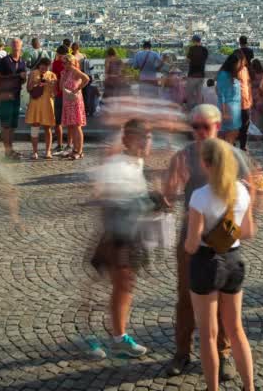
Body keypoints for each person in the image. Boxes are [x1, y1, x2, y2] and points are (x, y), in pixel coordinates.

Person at [162, 105, 252, 381]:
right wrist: (169, 187)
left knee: (224, 305)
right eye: (195, 126)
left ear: (218, 126)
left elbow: (251, 188)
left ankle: (222, 354)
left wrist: (238, 220)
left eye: (205, 126)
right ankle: (182, 351)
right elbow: (169, 192)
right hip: (192, 237)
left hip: (224, 243)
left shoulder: (234, 155)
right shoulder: (184, 155)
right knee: (185, 298)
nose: (200, 132)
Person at [184, 138, 258, 391]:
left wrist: (197, 236)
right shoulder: (242, 190)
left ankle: (212, 388)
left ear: (205, 164)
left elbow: (192, 245)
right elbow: (247, 231)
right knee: (236, 330)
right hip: (234, 260)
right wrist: (226, 231)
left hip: (205, 263)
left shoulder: (199, 197)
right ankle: (249, 387)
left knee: (208, 334)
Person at [81, 119, 157, 360]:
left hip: (131, 235)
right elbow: (106, 199)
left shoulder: (137, 162)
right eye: (141, 137)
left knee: (121, 287)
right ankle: (112, 338)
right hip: (119, 237)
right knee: (120, 287)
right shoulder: (118, 165)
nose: (146, 142)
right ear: (127, 140)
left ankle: (111, 336)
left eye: (148, 137)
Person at [0, 38, 27, 158]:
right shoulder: (5, 61)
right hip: (5, 96)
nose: (16, 46)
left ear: (21, 46)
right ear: (11, 46)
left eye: (18, 44)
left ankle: (10, 149)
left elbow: (22, 81)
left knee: (12, 125)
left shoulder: (22, 62)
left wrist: (23, 78)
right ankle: (7, 150)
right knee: (6, 125)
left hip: (15, 96)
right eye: (14, 44)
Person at [25, 57, 57, 159]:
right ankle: (35, 152)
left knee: (48, 128)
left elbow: (55, 93)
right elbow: (28, 89)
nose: (44, 69)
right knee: (35, 127)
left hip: (47, 103)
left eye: (47, 67)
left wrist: (52, 84)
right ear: (39, 65)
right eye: (43, 66)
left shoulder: (52, 75)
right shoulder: (33, 73)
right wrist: (36, 82)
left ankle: (48, 151)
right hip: (35, 103)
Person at [60, 55, 90, 160]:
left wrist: (77, 89)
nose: (63, 65)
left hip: (75, 101)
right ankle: (74, 149)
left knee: (77, 126)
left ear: (71, 62)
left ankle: (79, 150)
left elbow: (86, 78)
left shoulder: (74, 70)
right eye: (62, 63)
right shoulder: (64, 72)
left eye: (65, 62)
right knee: (71, 126)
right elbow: (60, 87)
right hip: (67, 101)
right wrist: (63, 76)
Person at [216, 52, 244, 145]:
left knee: (231, 137)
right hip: (229, 109)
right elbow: (221, 94)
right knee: (229, 138)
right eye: (239, 63)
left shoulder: (229, 74)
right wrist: (224, 112)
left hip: (234, 110)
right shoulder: (224, 75)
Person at [186, 35, 210, 111]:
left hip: (192, 74)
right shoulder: (205, 49)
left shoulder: (192, 49)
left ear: (193, 41)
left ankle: (190, 111)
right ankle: (199, 111)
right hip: (201, 74)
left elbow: (188, 60)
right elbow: (205, 59)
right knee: (199, 94)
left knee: (190, 94)